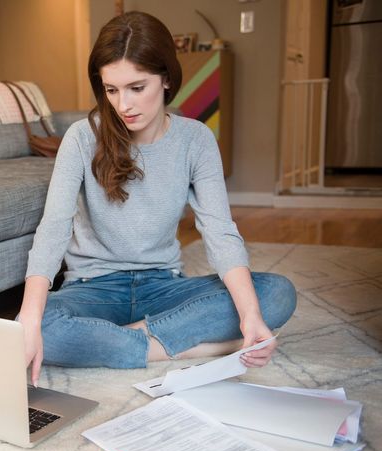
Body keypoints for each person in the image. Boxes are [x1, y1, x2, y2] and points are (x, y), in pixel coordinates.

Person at [18, 11, 297, 387]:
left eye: (137, 87)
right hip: (93, 287)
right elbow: (53, 228)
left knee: (276, 293)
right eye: (111, 90)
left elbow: (219, 231)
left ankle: (125, 340)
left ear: (166, 79)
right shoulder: (83, 138)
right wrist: (32, 319)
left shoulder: (195, 139)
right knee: (34, 325)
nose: (123, 105)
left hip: (164, 285)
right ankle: (184, 346)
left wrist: (249, 316)